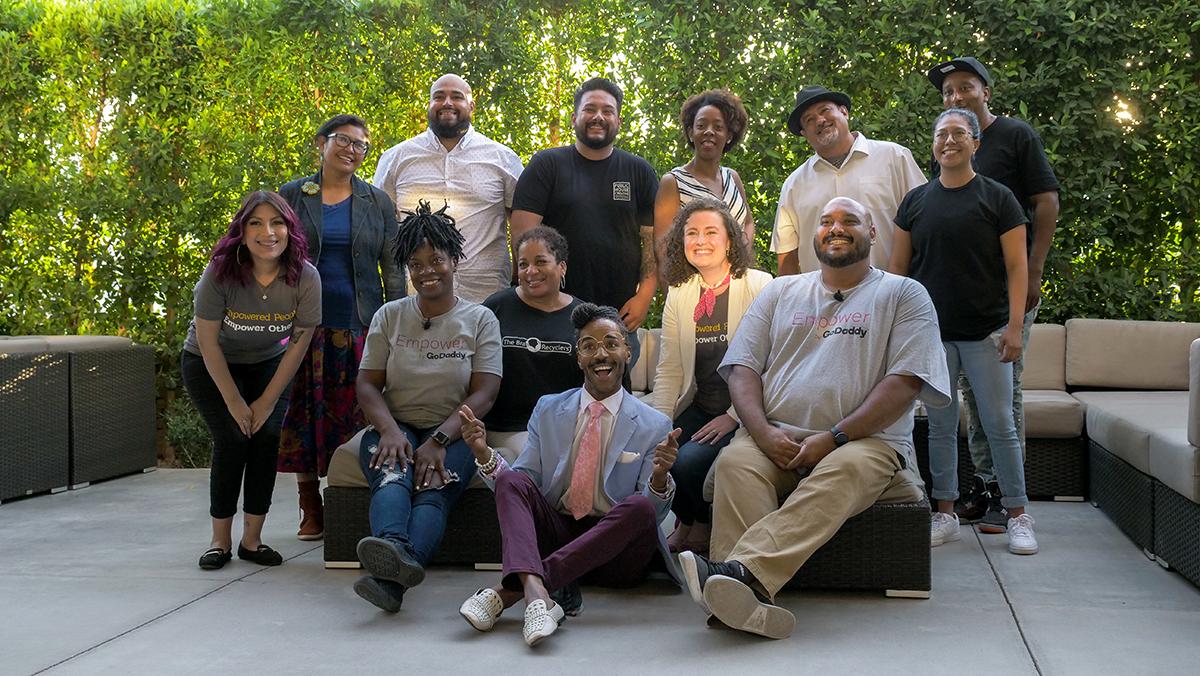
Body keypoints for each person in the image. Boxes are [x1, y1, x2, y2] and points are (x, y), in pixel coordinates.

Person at [678, 196, 951, 639]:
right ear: (815, 234)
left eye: (850, 220)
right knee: (735, 464)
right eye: (826, 221)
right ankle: (747, 600)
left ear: (873, 233)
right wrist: (763, 433)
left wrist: (835, 437)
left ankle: (736, 578)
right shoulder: (781, 291)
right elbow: (743, 369)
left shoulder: (903, 294)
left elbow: (905, 382)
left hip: (866, 443)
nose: (836, 228)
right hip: (774, 437)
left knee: (843, 470)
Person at [456, 303, 678, 647]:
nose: (600, 353)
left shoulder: (654, 424)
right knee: (511, 480)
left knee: (640, 508)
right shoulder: (548, 408)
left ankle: (510, 590)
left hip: (616, 554)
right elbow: (523, 482)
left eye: (610, 343)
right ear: (578, 358)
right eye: (589, 345)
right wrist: (484, 453)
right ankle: (539, 598)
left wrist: (660, 479)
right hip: (559, 533)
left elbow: (652, 514)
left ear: (627, 352)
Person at [890, 108, 1038, 556]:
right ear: (933, 146)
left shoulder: (998, 198)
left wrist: (1014, 328)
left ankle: (1018, 514)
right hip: (932, 338)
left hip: (986, 333)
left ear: (975, 143)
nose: (949, 141)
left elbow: (1017, 267)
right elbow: (899, 274)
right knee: (939, 427)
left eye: (959, 133)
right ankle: (945, 513)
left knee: (1000, 426)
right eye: (941, 134)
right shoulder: (915, 202)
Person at [927, 56, 1062, 529]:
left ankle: (1009, 498)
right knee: (965, 397)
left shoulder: (1016, 135)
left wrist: (1036, 270)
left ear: (986, 90)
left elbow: (1046, 202)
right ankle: (984, 489)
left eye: (965, 87)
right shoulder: (948, 143)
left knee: (1004, 397)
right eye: (948, 92)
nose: (956, 96)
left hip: (1007, 291)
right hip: (958, 298)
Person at [350, 200, 502, 612]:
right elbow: (367, 385)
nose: (426, 271)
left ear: (454, 260)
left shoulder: (480, 319)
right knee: (391, 475)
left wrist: (438, 440)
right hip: (394, 424)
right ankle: (399, 554)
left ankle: (392, 575)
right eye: (415, 264)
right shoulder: (390, 315)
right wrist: (389, 431)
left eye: (436, 259)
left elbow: (484, 393)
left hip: (453, 432)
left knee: (433, 489)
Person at [276, 114, 404, 541]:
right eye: (343, 141)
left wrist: (400, 318)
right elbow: (270, 256)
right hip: (302, 326)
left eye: (361, 145)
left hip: (359, 324)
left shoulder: (376, 201)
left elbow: (392, 267)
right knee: (303, 414)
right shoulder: (292, 195)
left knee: (353, 417)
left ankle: (346, 501)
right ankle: (310, 504)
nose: (352, 150)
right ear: (321, 144)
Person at [182, 191, 321, 571]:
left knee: (264, 438)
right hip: (210, 364)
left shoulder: (305, 277)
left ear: (290, 230)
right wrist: (235, 403)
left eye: (277, 223)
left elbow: (297, 344)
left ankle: (252, 541)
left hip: (268, 364)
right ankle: (219, 541)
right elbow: (208, 343)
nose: (268, 232)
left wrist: (265, 402)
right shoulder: (219, 272)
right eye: (256, 223)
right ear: (241, 232)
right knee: (231, 437)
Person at [511, 77, 658, 370]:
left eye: (607, 110)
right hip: (551, 317)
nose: (598, 117)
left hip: (617, 319)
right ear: (575, 117)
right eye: (590, 109)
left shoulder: (638, 171)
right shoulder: (546, 165)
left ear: (618, 119)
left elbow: (653, 243)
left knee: (610, 407)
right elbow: (522, 240)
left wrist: (644, 297)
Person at [651, 198, 771, 554]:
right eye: (691, 233)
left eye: (710, 232)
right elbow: (670, 367)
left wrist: (732, 417)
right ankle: (689, 522)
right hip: (700, 404)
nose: (700, 240)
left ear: (730, 240)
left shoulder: (760, 286)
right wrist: (657, 422)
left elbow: (773, 364)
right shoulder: (680, 292)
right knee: (658, 452)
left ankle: (699, 524)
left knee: (687, 462)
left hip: (745, 409)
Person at [372, 73, 523, 303]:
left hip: (488, 297)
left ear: (471, 106)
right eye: (439, 96)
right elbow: (380, 223)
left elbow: (521, 220)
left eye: (457, 97)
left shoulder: (503, 159)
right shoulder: (396, 158)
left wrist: (518, 280)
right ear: (430, 105)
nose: (447, 103)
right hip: (416, 299)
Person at [770, 86, 926, 275]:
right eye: (809, 120)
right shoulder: (794, 185)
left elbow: (926, 224)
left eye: (825, 110)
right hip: (821, 301)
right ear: (804, 133)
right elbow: (787, 256)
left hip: (892, 295)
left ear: (844, 111)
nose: (819, 120)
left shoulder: (894, 157)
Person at [481, 226, 583, 461]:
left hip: (562, 429)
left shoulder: (583, 316)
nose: (531, 271)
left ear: (562, 267)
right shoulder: (495, 308)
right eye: (523, 264)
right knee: (534, 456)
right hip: (504, 426)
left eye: (540, 262)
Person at [653, 89, 753, 289]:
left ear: (729, 135)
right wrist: (673, 297)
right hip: (694, 287)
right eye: (701, 125)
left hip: (738, 284)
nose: (709, 131)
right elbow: (662, 247)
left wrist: (741, 256)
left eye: (718, 127)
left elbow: (748, 222)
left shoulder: (733, 177)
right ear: (691, 133)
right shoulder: (673, 181)